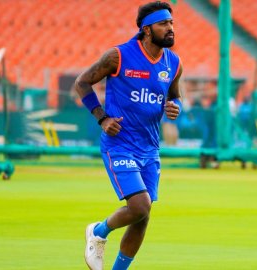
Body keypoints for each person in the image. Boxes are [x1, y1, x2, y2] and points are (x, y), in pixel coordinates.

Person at [74, 2, 182, 269]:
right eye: (163, 24)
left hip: (149, 148)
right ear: (147, 30)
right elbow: (82, 83)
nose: (170, 28)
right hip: (119, 143)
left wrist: (174, 106)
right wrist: (102, 117)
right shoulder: (118, 56)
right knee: (140, 205)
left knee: (142, 217)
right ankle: (98, 232)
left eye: (171, 23)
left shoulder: (174, 63)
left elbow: (174, 95)